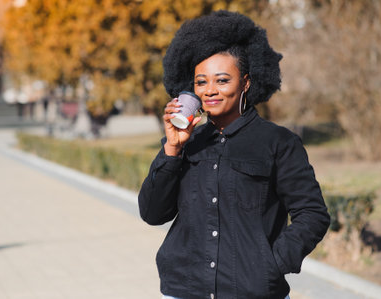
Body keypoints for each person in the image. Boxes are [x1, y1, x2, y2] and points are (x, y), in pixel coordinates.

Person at [138, 10, 330, 299]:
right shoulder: (186, 143)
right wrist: (172, 149)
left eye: (222, 80)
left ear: (246, 83)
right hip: (184, 291)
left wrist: (271, 264)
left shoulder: (278, 142)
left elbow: (313, 214)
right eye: (201, 82)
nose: (210, 91)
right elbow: (152, 214)